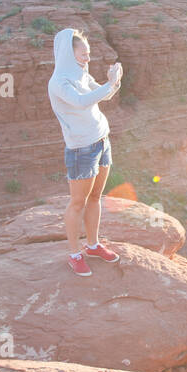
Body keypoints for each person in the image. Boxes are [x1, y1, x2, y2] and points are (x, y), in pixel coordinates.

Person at [47, 27, 124, 276]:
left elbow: (103, 96)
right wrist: (110, 84)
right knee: (78, 202)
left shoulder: (80, 73)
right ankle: (74, 253)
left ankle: (92, 245)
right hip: (81, 149)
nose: (87, 59)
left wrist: (116, 82)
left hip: (101, 141)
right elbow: (82, 102)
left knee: (95, 198)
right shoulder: (59, 82)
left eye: (88, 54)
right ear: (68, 54)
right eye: (83, 54)